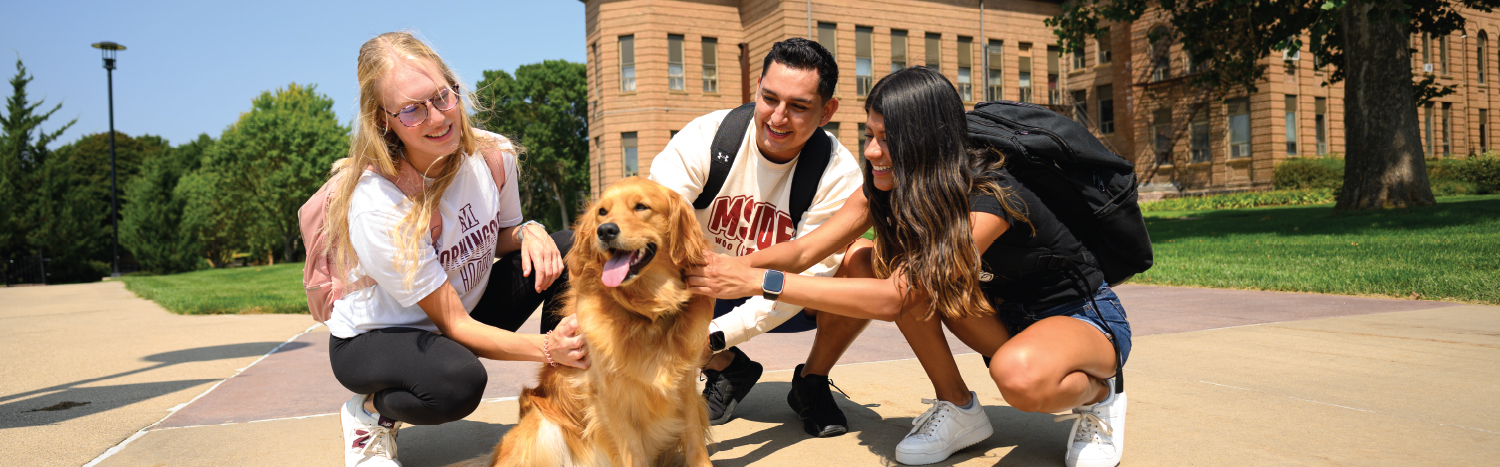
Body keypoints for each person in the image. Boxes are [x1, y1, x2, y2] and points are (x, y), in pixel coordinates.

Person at [687, 66, 1133, 467]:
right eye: (869, 135)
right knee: (875, 260)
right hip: (996, 314)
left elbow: (895, 298)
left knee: (1017, 377)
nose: (874, 152)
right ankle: (958, 407)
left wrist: (757, 281)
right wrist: (726, 267)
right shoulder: (885, 183)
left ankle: (1102, 395)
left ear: (928, 144)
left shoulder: (990, 198)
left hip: (1076, 316)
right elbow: (806, 251)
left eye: (888, 141)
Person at [321, 32, 589, 467]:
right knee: (458, 384)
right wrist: (546, 347)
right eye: (411, 109)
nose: (437, 117)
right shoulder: (378, 203)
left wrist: (529, 232)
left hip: (460, 312)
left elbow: (497, 236)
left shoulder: (492, 154)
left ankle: (571, 398)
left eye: (442, 96)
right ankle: (368, 414)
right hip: (380, 340)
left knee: (572, 247)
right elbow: (455, 323)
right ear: (383, 119)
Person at [648, 37, 871, 436]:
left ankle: (811, 382)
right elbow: (652, 226)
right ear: (756, 88)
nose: (778, 118)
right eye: (769, 98)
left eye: (799, 106)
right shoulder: (708, 137)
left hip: (784, 296)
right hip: (697, 288)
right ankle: (729, 368)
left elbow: (809, 279)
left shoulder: (837, 173)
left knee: (863, 262)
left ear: (827, 111)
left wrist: (713, 337)